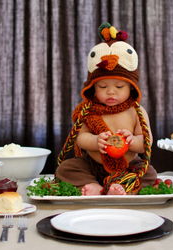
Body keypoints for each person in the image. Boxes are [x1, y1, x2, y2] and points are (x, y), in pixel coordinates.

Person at [55, 22, 157, 195]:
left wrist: (132, 140)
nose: (111, 92)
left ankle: (121, 185)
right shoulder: (89, 110)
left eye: (119, 87)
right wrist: (96, 141)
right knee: (67, 168)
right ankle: (93, 184)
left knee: (149, 173)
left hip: (126, 165)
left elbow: (146, 143)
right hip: (92, 165)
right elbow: (81, 138)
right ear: (92, 88)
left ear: (131, 88)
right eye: (102, 86)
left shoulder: (136, 111)